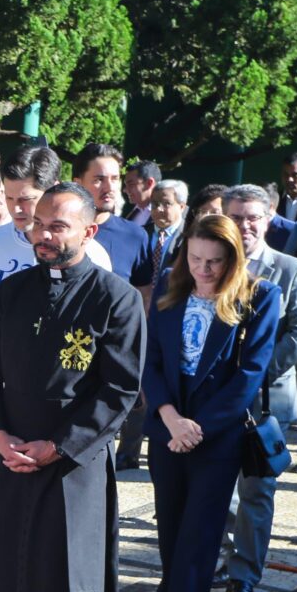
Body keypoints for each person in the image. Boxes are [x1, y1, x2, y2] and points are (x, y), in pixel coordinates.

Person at [0, 182, 145, 592]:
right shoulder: (14, 290)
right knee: (4, 575)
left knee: (71, 583)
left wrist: (60, 446)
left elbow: (119, 389)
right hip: (12, 455)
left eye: (56, 226)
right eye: (38, 223)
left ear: (89, 232)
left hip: (74, 467)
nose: (41, 234)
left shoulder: (117, 298)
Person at [0, 145, 113, 570]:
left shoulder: (91, 258)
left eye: (29, 200)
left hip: (49, 411)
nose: (19, 210)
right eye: (11, 197)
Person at [144, 213, 279, 592]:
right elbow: (151, 361)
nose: (203, 269)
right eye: (196, 258)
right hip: (168, 432)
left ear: (234, 260)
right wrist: (169, 418)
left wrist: (195, 429)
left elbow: (249, 377)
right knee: (171, 536)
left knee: (197, 543)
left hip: (216, 440)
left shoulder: (260, 297)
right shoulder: (168, 286)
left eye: (215, 262)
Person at [218, 186, 297, 592]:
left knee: (257, 490)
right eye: (235, 216)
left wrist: (248, 372)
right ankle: (227, 550)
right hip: (212, 400)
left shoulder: (291, 269)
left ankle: (244, 575)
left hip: (266, 402)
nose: (244, 225)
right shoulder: (207, 263)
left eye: (253, 217)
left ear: (268, 218)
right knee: (216, 485)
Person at [115, 179, 190, 470]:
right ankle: (128, 450)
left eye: (166, 203)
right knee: (137, 384)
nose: (158, 209)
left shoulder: (190, 238)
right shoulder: (140, 235)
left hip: (175, 322)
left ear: (182, 206)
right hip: (140, 318)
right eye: (154, 203)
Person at [74, 144, 152, 285]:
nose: (109, 187)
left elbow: (144, 296)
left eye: (115, 179)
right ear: (78, 184)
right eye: (99, 179)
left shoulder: (135, 236)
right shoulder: (57, 231)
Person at [123, 160, 161, 227]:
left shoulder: (166, 212)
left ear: (149, 183)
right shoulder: (128, 211)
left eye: (131, 184)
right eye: (126, 185)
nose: (125, 190)